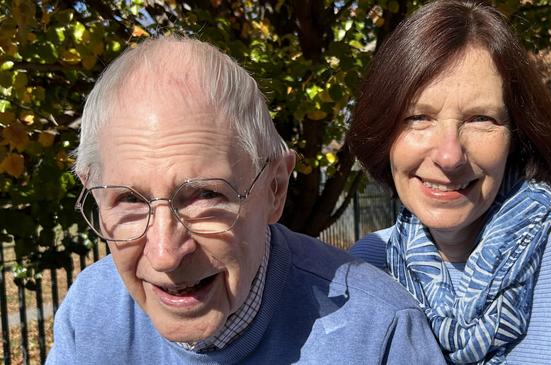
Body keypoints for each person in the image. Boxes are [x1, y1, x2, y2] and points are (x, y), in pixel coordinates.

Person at [46, 36, 446, 364]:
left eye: (205, 195)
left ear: (274, 189)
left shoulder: (379, 335)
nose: (166, 254)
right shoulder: (91, 311)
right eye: (129, 201)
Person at [347, 1, 551, 364]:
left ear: (517, 135)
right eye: (417, 117)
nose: (449, 155)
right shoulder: (369, 267)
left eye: (480, 119)